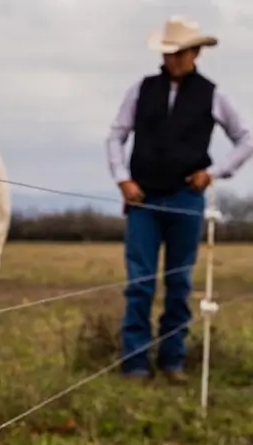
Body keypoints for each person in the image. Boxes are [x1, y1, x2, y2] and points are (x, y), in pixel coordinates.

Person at [105, 15, 253, 384]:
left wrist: (213, 172)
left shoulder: (213, 94)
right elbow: (116, 136)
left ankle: (172, 361)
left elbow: (245, 138)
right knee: (140, 283)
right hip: (143, 200)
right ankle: (135, 363)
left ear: (195, 53)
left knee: (179, 283)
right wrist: (123, 179)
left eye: (180, 53)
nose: (172, 59)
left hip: (187, 199)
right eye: (168, 53)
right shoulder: (141, 89)